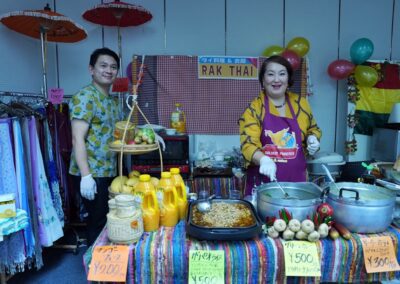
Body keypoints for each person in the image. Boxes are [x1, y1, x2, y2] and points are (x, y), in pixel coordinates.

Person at [239, 55, 322, 196]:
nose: (276, 79)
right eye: (270, 74)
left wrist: (313, 138)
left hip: (297, 183)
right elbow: (248, 144)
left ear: (288, 79)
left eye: (282, 74)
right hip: (262, 184)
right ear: (263, 80)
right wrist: (263, 159)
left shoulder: (301, 104)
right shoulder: (255, 108)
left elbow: (312, 128)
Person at [69, 47, 119, 245]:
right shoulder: (84, 97)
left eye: (113, 67)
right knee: (97, 223)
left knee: (110, 220)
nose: (109, 70)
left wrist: (150, 133)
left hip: (108, 170)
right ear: (91, 69)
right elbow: (77, 138)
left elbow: (120, 132)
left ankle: (107, 264)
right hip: (91, 172)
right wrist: (86, 176)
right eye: (103, 65)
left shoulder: (113, 101)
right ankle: (94, 271)